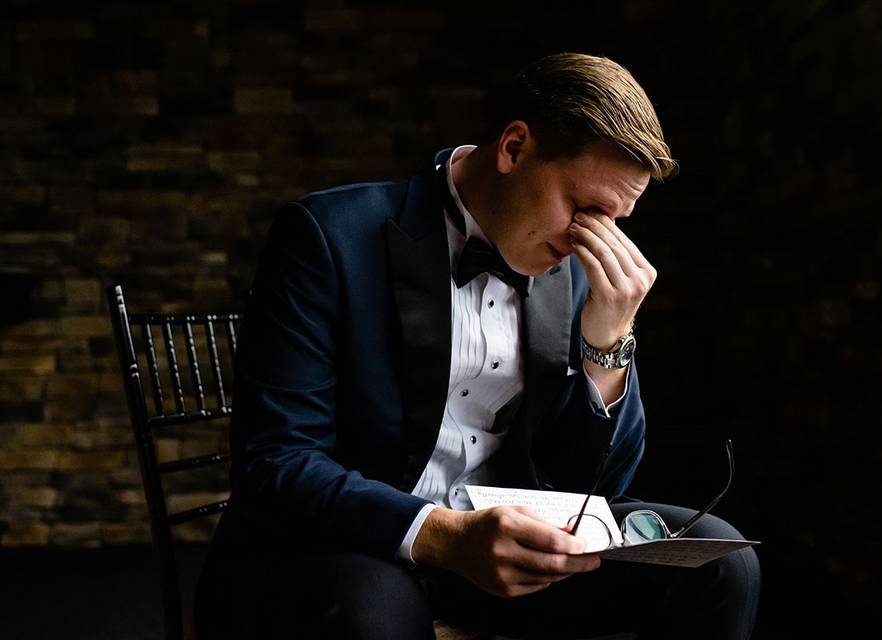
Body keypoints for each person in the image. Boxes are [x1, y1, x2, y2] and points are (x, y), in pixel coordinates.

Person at [195, 52, 761, 639]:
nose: (594, 241)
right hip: (352, 545)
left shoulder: (570, 270)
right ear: (514, 148)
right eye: (586, 208)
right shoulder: (327, 235)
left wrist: (609, 341)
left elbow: (601, 488)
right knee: (376, 613)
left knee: (722, 563)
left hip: (502, 557)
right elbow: (277, 461)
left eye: (616, 220)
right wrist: (446, 535)